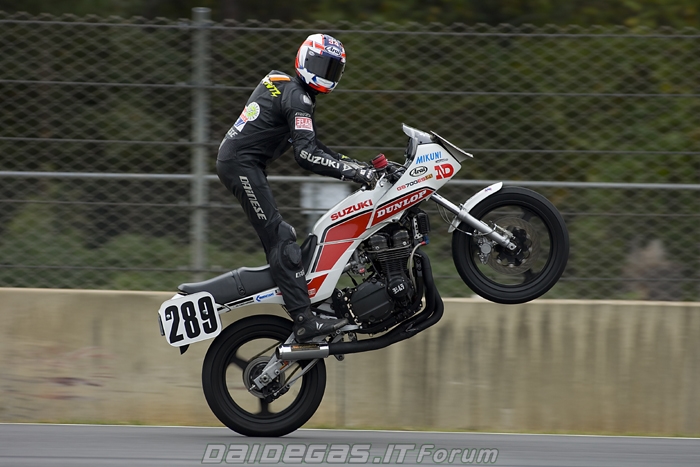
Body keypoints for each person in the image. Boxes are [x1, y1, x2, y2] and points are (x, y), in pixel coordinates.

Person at [216, 33, 375, 342]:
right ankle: (304, 320)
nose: (326, 74)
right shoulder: (297, 97)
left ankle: (304, 304)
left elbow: (314, 145)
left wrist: (358, 166)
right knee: (282, 238)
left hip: (241, 163)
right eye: (321, 65)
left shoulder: (291, 89)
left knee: (281, 237)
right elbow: (306, 155)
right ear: (304, 59)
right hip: (240, 165)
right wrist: (355, 173)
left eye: (332, 69)